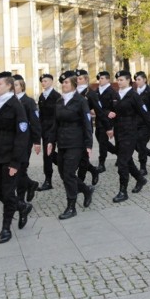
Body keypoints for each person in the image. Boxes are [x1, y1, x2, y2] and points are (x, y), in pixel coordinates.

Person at [0, 72, 31, 245]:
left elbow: (22, 134)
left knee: (8, 192)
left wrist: (16, 162)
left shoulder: (16, 105)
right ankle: (22, 206)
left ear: (9, 85)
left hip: (11, 155)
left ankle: (6, 228)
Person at [45, 72, 94, 220]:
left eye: (66, 82)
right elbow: (55, 124)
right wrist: (50, 142)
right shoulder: (59, 101)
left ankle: (71, 206)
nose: (63, 85)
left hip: (76, 143)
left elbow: (87, 123)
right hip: (62, 142)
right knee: (63, 174)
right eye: (63, 83)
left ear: (73, 84)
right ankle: (86, 189)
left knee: (68, 173)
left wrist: (88, 144)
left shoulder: (80, 101)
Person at [106, 71, 150, 202]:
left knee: (122, 163)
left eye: (121, 80)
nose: (119, 82)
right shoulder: (116, 95)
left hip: (131, 132)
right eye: (118, 80)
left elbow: (144, 113)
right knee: (127, 160)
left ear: (128, 81)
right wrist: (109, 119)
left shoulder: (133, 95)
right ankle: (140, 179)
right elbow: (108, 109)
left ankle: (123, 191)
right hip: (119, 132)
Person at [12, 75, 41, 207]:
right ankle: (31, 184)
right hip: (12, 140)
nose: (14, 87)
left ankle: (21, 198)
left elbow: (35, 122)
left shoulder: (28, 101)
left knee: (21, 169)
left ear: (22, 86)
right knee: (16, 169)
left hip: (25, 140)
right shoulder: (10, 100)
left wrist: (36, 141)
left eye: (16, 85)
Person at [37, 73, 62, 191]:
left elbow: (58, 115)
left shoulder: (57, 96)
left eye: (46, 81)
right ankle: (64, 165)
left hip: (53, 129)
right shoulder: (42, 96)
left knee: (47, 155)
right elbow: (41, 115)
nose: (43, 83)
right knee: (48, 155)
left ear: (51, 82)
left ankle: (48, 180)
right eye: (42, 81)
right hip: (44, 129)